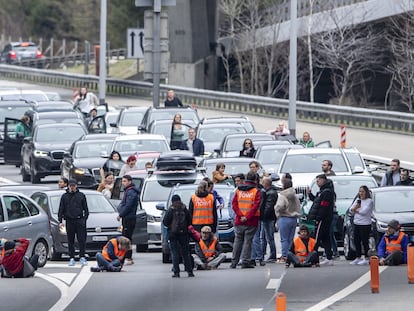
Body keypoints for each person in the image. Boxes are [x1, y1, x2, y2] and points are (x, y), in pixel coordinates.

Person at [230, 171, 261, 269]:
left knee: (238, 240)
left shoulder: (239, 190)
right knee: (248, 241)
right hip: (251, 220)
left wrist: (240, 215)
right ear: (255, 180)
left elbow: (234, 204)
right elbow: (256, 206)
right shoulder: (256, 191)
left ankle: (234, 262)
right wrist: (247, 216)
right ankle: (245, 261)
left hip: (239, 220)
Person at [58, 179, 89, 266]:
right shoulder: (64, 196)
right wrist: (60, 220)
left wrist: (84, 219)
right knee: (70, 240)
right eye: (70, 186)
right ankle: (71, 257)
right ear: (68, 186)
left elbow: (86, 208)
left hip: (79, 220)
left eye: (73, 186)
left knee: (81, 239)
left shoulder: (81, 195)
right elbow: (61, 209)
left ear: (76, 186)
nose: (72, 187)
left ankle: (82, 256)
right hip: (69, 220)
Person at [162, 194, 194, 278]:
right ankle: (189, 271)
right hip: (184, 234)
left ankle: (176, 272)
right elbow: (190, 221)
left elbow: (165, 222)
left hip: (173, 234)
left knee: (175, 252)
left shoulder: (171, 210)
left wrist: (170, 226)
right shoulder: (184, 209)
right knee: (185, 253)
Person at [307, 174, 335, 266]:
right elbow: (316, 201)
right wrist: (310, 195)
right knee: (325, 238)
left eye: (318, 180)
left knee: (316, 238)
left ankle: (313, 258)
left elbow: (324, 207)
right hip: (322, 219)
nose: (317, 182)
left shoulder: (327, 192)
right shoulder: (321, 192)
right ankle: (329, 257)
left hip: (323, 219)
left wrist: (318, 218)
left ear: (323, 180)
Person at [274, 179, 301, 263]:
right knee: (290, 238)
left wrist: (276, 210)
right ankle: (290, 255)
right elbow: (299, 206)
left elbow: (280, 206)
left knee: (284, 239)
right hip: (293, 218)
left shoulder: (282, 196)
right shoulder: (295, 196)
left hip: (284, 217)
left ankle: (284, 256)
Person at [116, 175, 140, 266]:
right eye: (122, 181)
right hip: (127, 217)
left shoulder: (131, 192)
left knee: (127, 238)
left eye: (125, 181)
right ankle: (126, 257)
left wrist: (121, 214)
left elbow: (128, 205)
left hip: (129, 218)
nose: (123, 183)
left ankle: (128, 257)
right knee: (126, 237)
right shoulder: (128, 191)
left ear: (130, 182)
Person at [349, 186, 373, 265]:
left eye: (362, 191)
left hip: (365, 224)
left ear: (366, 192)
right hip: (357, 223)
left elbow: (364, 212)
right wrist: (355, 209)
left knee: (364, 241)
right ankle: (358, 257)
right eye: (360, 191)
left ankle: (366, 257)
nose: (361, 193)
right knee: (356, 241)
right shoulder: (358, 200)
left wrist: (356, 210)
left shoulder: (369, 201)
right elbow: (351, 209)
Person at [260, 176, 278, 263]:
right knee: (264, 237)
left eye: (262, 182)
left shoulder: (270, 193)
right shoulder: (269, 192)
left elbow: (268, 207)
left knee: (269, 237)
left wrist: (263, 216)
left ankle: (273, 255)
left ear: (265, 183)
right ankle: (262, 254)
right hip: (267, 218)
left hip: (268, 218)